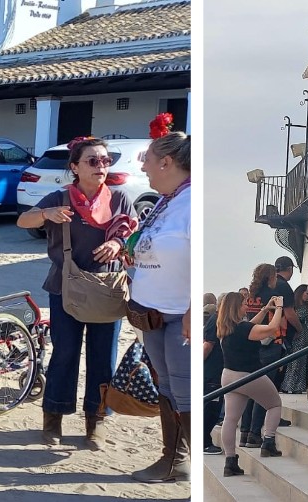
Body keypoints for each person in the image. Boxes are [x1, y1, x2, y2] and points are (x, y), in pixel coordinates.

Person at [15, 137, 135, 448]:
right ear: (75, 168)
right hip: (65, 287)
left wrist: (117, 244)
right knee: (65, 353)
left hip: (107, 288)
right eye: (93, 161)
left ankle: (96, 421)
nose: (101, 166)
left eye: (105, 161)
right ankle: (53, 417)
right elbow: (21, 220)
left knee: (103, 358)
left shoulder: (119, 198)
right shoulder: (60, 198)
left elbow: (134, 233)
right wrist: (46, 214)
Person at [127, 131, 191, 484]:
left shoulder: (192, 202)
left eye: (147, 158)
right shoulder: (168, 200)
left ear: (166, 162)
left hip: (179, 316)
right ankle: (174, 460)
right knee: (167, 387)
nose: (143, 165)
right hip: (152, 314)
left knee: (184, 392)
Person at [217, 292, 285, 478]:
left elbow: (251, 326)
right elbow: (272, 329)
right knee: (274, 404)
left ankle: (230, 462)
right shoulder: (243, 329)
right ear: (235, 307)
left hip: (228, 375)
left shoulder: (225, 327)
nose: (246, 307)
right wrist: (279, 307)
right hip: (247, 375)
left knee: (230, 419)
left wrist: (265, 309)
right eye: (243, 304)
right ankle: (268, 442)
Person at [279, 284, 308, 394]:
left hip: (304, 335)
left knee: (302, 362)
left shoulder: (307, 306)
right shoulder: (295, 307)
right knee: (295, 362)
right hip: (297, 335)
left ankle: (298, 386)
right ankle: (290, 385)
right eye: (306, 293)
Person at [201, 293, 223, 456]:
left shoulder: (219, 320)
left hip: (216, 371)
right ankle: (203, 442)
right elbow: (208, 345)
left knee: (213, 407)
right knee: (211, 408)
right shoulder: (215, 321)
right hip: (211, 372)